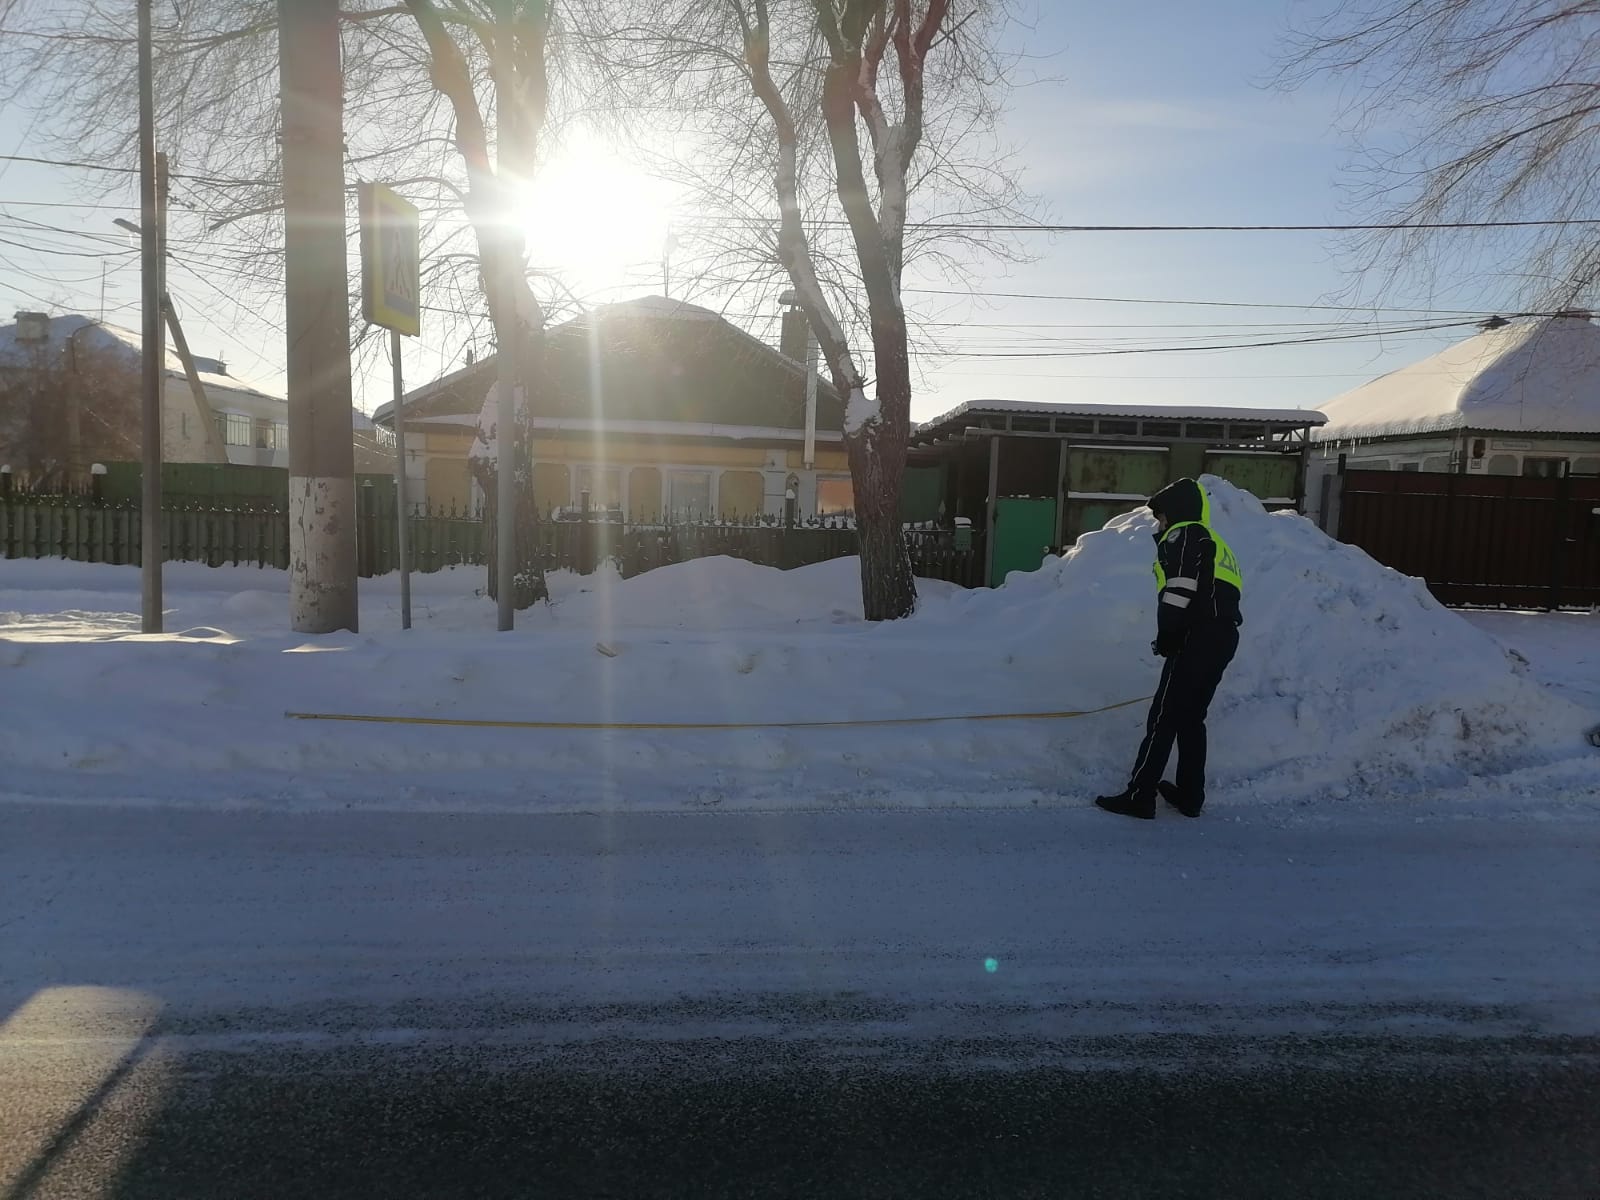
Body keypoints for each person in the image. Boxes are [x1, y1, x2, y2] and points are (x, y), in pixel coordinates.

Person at [1095, 477, 1242, 820]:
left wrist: (1168, 636)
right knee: (1192, 718)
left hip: (1196, 636)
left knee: (1163, 717)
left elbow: (1179, 590)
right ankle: (1191, 795)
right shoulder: (1216, 542)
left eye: (1160, 517)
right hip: (1222, 637)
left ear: (1174, 512)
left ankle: (1139, 795)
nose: (1159, 524)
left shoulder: (1184, 534)